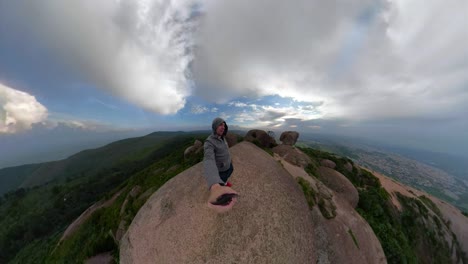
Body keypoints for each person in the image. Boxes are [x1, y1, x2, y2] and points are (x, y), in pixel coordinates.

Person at [203, 117, 238, 212]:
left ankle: (225, 183)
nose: (223, 127)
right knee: (221, 181)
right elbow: (208, 160)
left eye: (224, 125)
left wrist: (230, 160)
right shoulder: (209, 142)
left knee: (227, 177)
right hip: (221, 171)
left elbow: (225, 151)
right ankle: (222, 186)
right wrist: (214, 184)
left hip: (228, 166)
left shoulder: (223, 138)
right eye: (220, 125)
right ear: (214, 127)